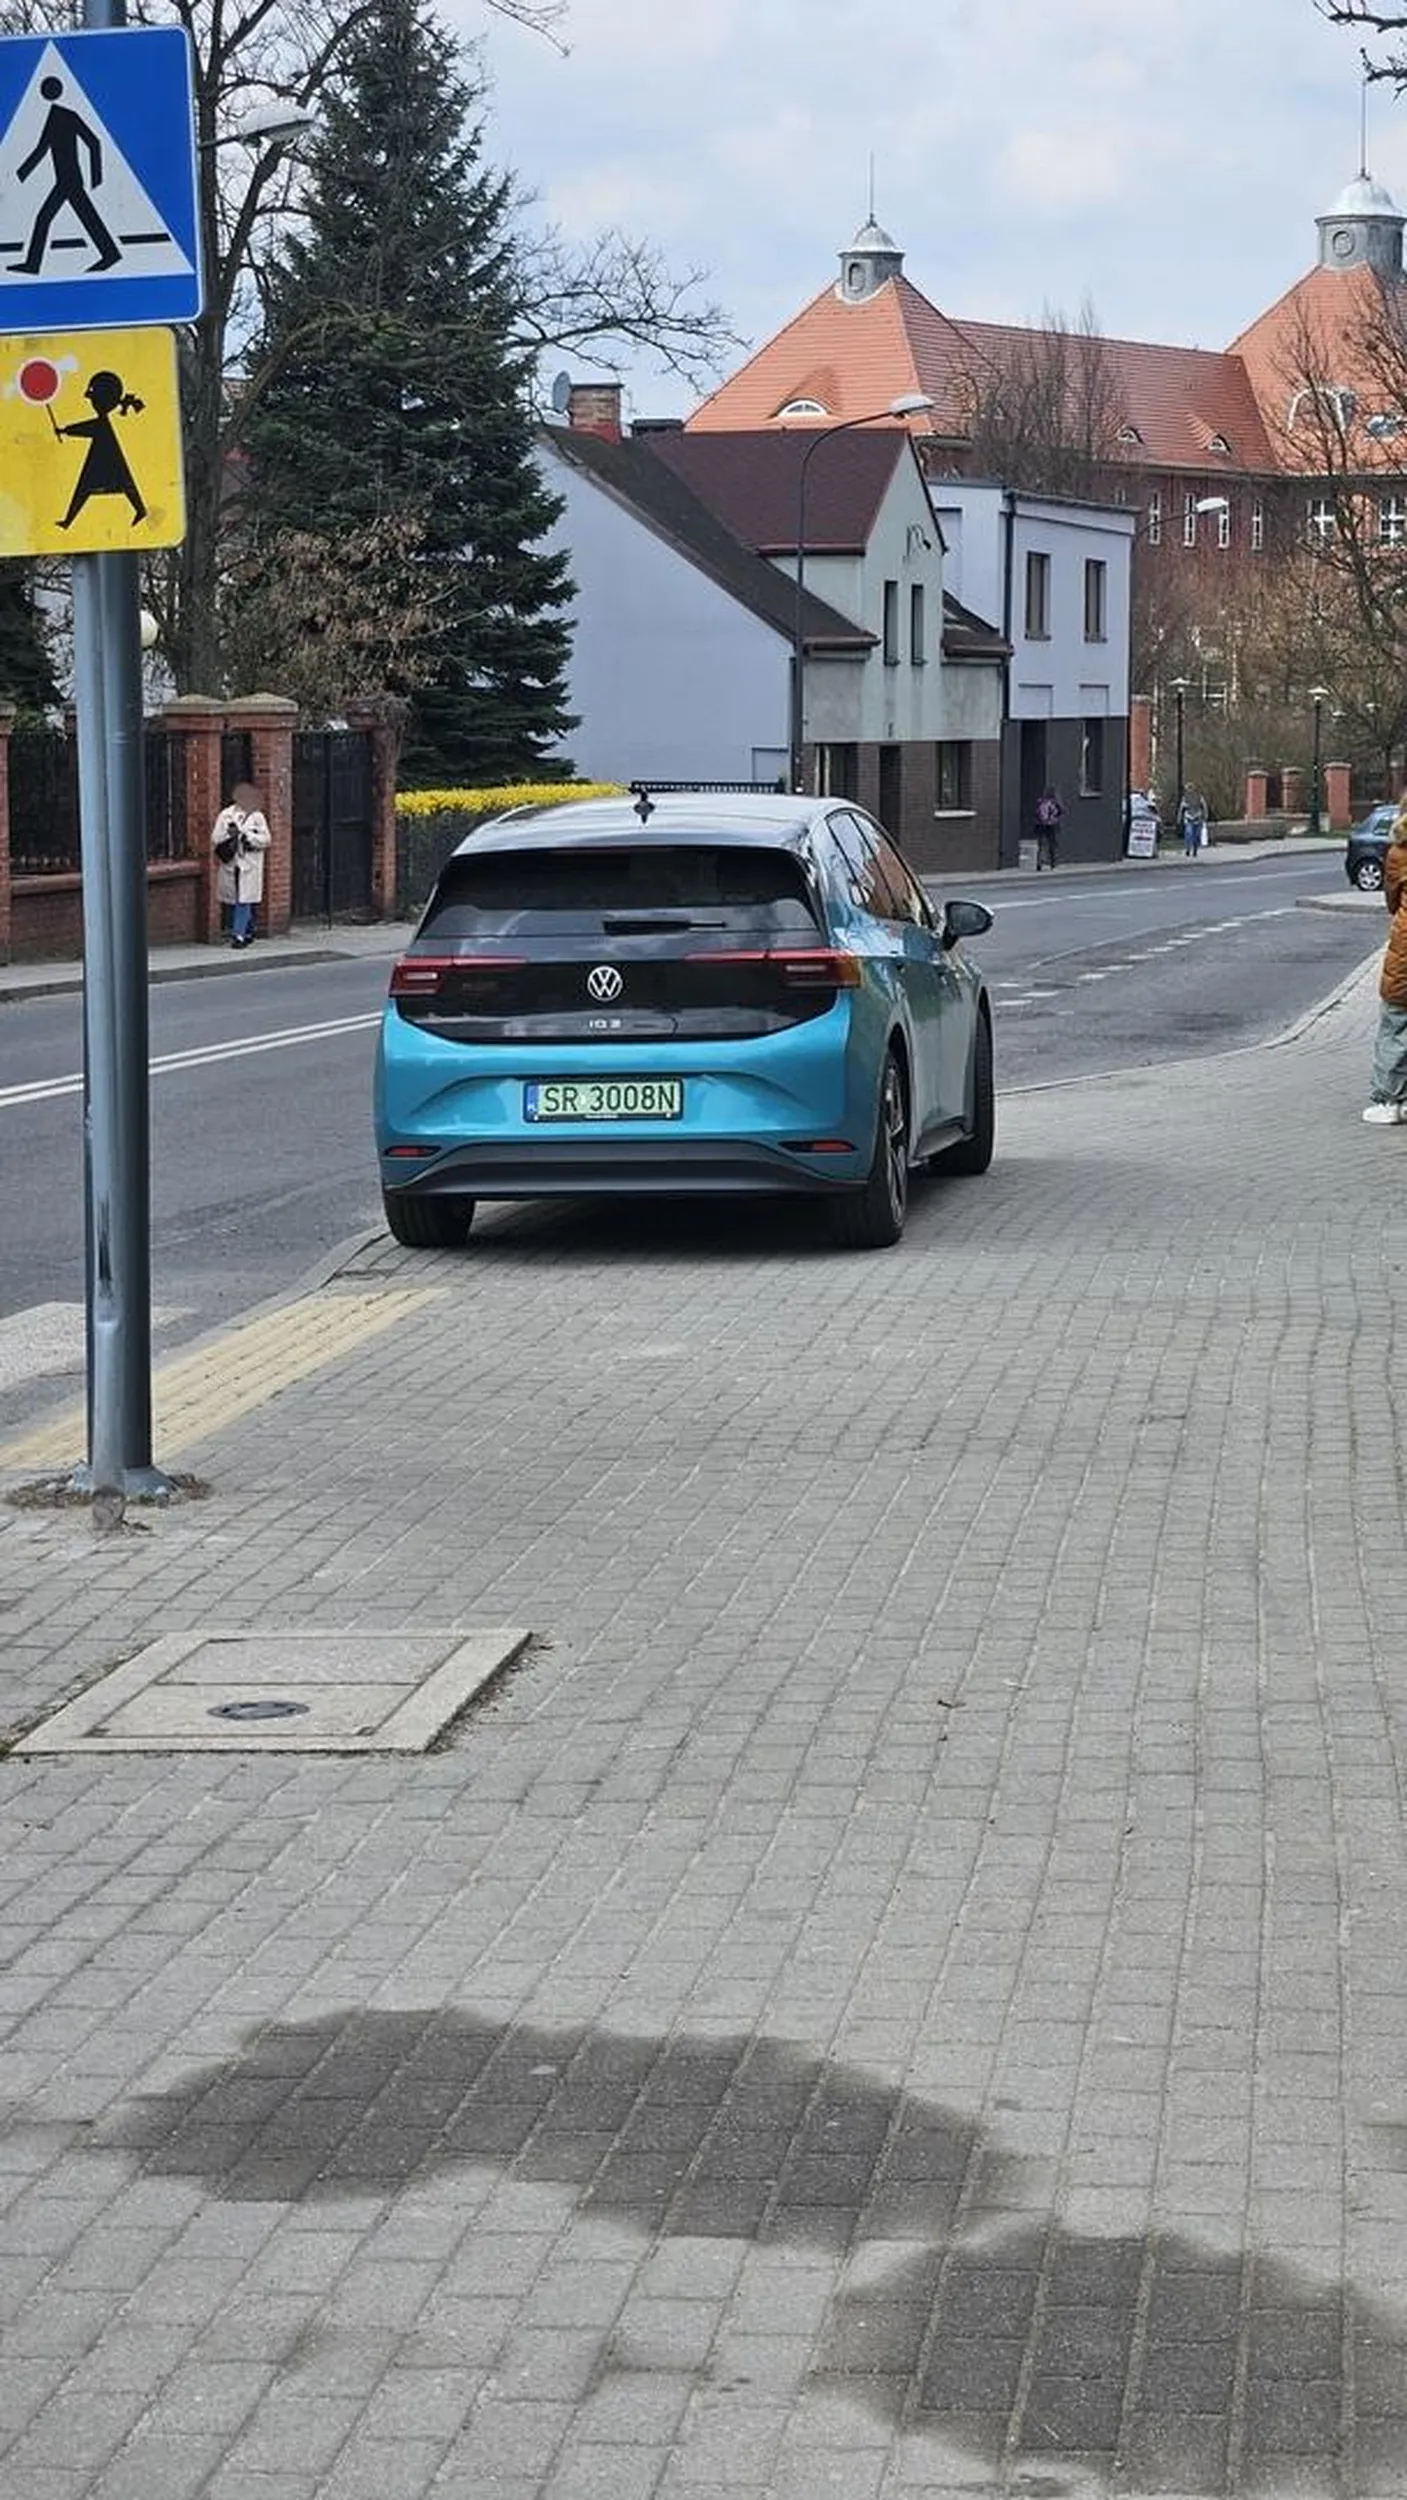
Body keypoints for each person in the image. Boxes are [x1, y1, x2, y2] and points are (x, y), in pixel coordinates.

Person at [1363, 802, 1407, 1123]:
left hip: (1405, 951)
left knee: (1394, 1023)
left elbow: (1392, 901)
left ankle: (1388, 1101)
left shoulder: (1398, 853)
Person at [212, 782, 272, 948]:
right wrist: (228, 835)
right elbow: (215, 838)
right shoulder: (226, 815)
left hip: (249, 864)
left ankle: (237, 935)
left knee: (244, 900)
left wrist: (249, 837)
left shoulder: (257, 817)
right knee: (232, 901)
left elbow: (267, 839)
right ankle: (248, 930)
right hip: (232, 863)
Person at [1033, 786, 1062, 870]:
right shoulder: (1054, 803)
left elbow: (1036, 814)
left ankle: (1039, 862)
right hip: (1051, 825)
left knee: (1041, 844)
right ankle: (1053, 862)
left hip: (1040, 825)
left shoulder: (1040, 802)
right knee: (1052, 844)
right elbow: (1060, 812)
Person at [1178, 788, 1208, 859]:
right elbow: (1181, 808)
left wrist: (1205, 816)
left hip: (1197, 818)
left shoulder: (1199, 797)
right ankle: (1188, 849)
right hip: (1188, 818)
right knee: (1189, 833)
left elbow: (1204, 806)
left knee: (1196, 835)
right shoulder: (1185, 798)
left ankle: (1195, 849)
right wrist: (1179, 818)